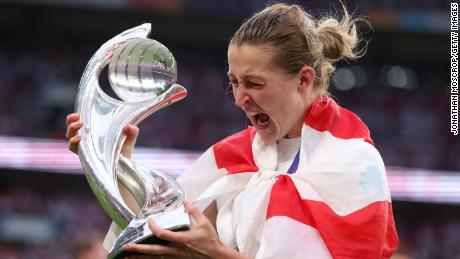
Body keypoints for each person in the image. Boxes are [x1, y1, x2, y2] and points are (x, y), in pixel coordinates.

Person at [66, 3, 399, 258]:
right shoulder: (233, 158)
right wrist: (116, 166)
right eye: (234, 82)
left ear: (304, 79)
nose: (240, 99)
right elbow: (159, 232)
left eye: (254, 83)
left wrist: (218, 254)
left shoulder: (353, 163)